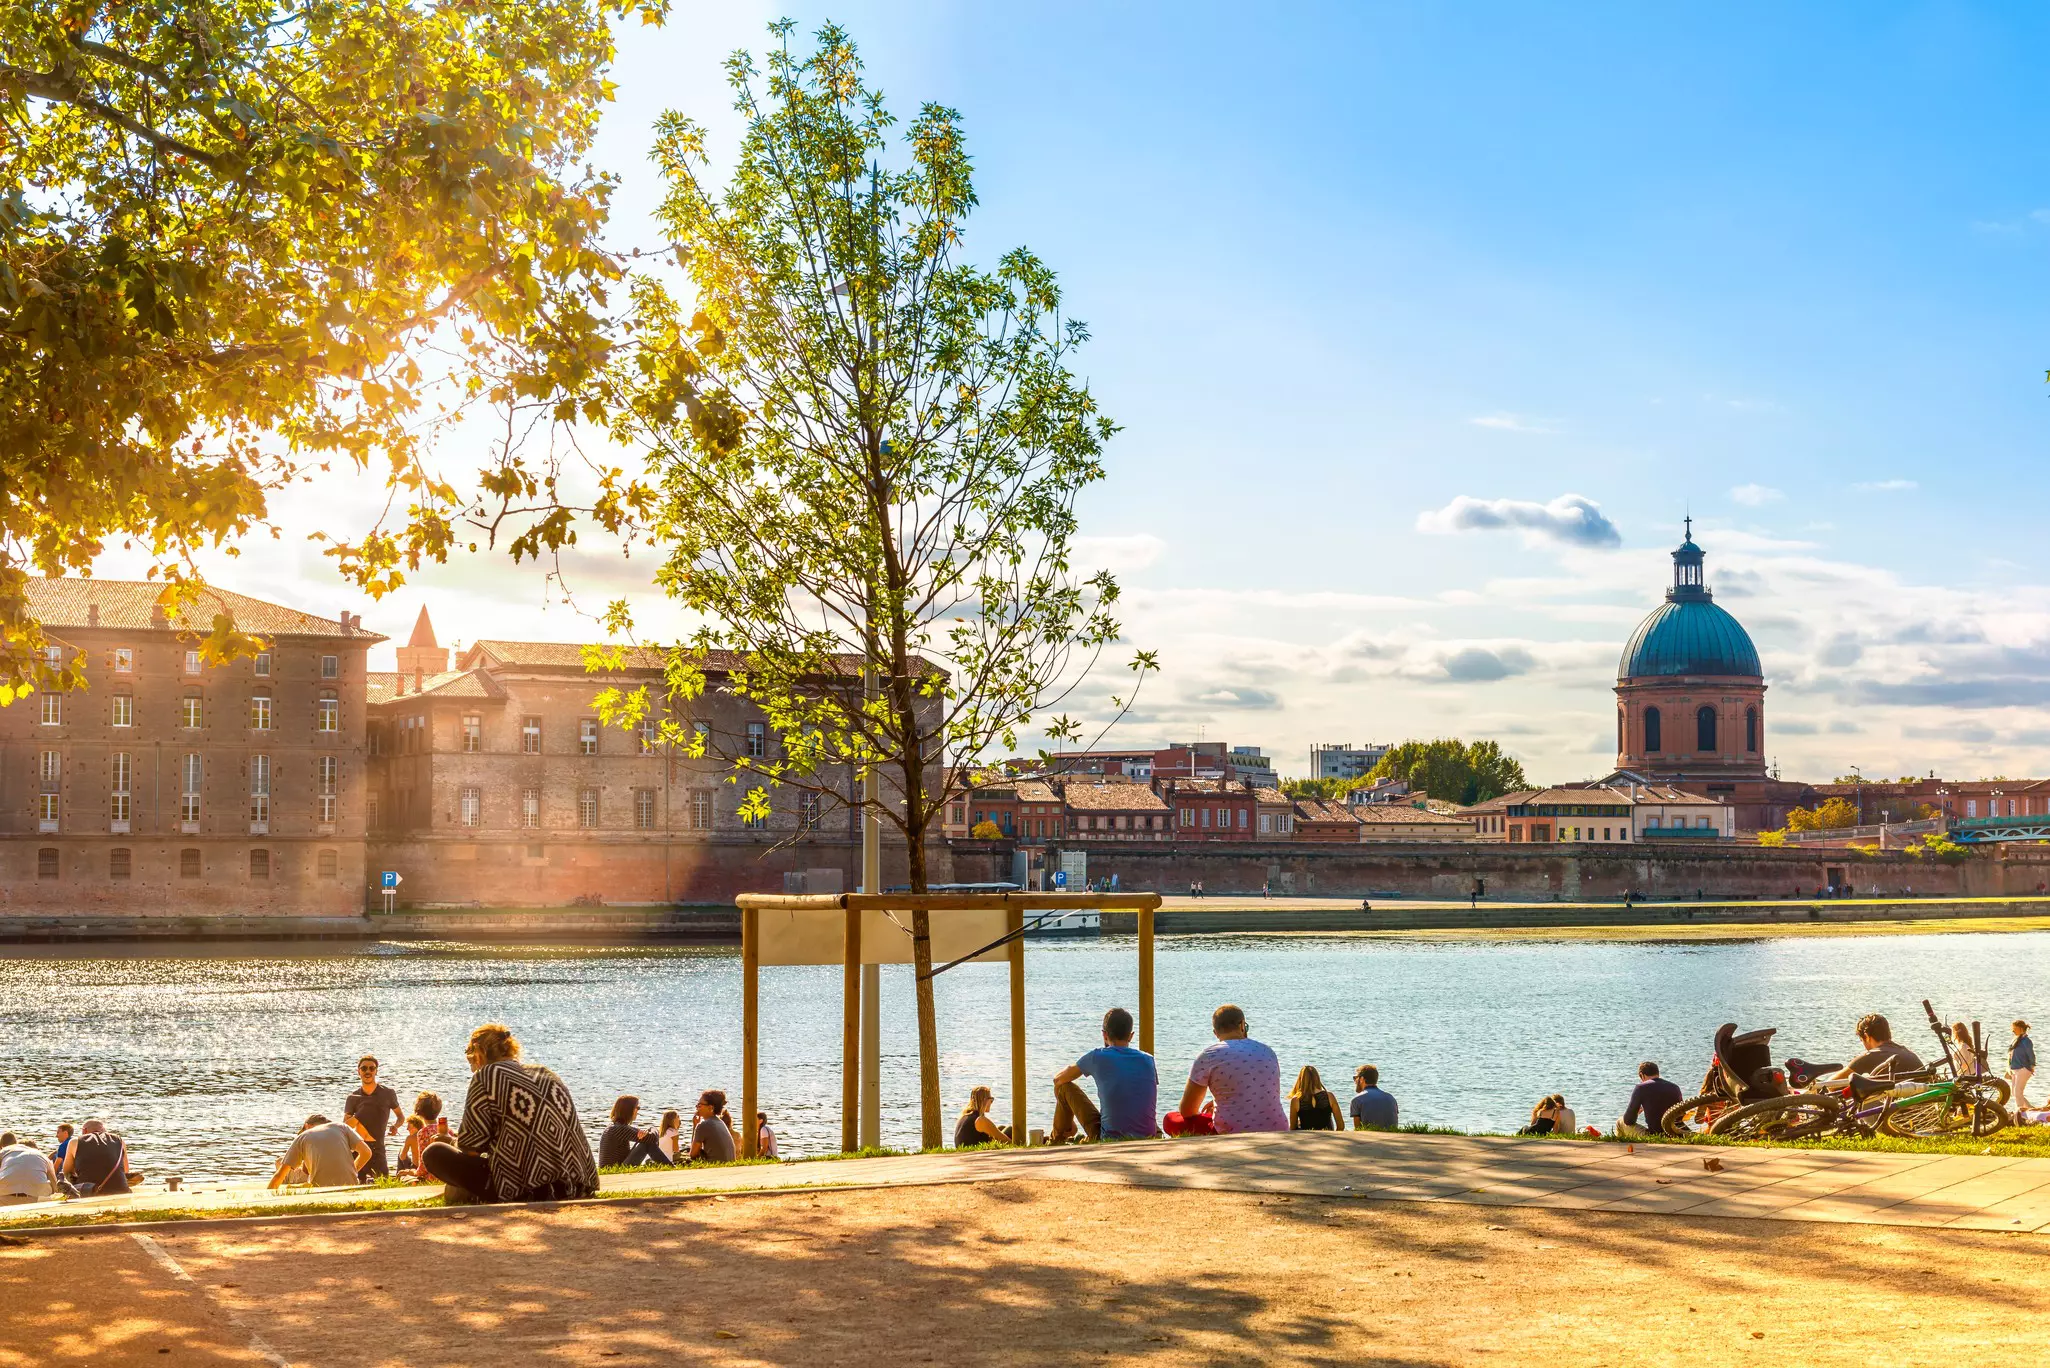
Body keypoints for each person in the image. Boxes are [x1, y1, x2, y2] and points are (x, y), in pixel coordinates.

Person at [421, 1023, 599, 1204]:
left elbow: (470, 1147)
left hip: (530, 1189)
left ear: (479, 1053)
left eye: (471, 1061)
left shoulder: (485, 1076)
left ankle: (481, 1194)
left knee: (435, 1153)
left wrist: (450, 1141)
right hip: (577, 1184)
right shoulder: (545, 1072)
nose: (473, 1069)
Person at [1049, 1006, 1159, 1143]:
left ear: (1104, 1035)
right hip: (1148, 1135)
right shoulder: (1149, 1059)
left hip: (1110, 1138)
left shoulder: (1097, 1056)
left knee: (1065, 1088)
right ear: (1131, 1036)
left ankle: (1056, 1140)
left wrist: (1069, 1118)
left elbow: (1058, 1079)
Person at [1175, 1004, 1288, 1135]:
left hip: (1232, 1131)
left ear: (1215, 1033)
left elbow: (1188, 1111)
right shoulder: (1268, 1051)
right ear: (1242, 1025)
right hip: (1278, 1128)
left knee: (1171, 1119)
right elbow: (1259, 1091)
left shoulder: (1208, 1055)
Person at [269, 1113, 372, 1190]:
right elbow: (367, 1152)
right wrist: (353, 1171)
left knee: (280, 1162)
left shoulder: (302, 1137)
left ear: (307, 1126)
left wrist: (268, 1196)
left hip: (319, 1188)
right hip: (350, 1184)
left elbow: (279, 1176)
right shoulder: (342, 1127)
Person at [343, 1055, 403, 1179]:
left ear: (376, 1071)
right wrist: (360, 1114)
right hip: (359, 1147)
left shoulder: (387, 1093)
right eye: (364, 1068)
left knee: (384, 1182)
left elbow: (400, 1117)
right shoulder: (352, 1097)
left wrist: (395, 1126)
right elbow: (345, 1127)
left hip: (377, 1146)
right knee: (354, 1182)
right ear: (358, 1071)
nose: (368, 1071)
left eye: (371, 1068)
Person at [1829, 1014, 1923, 1080]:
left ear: (1866, 1036)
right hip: (1924, 1103)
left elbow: (1831, 1085)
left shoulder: (1870, 1056)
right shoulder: (1908, 1052)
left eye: (1862, 1040)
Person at [60, 1119, 130, 1196]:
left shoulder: (75, 1141)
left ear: (84, 1131)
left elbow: (67, 1172)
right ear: (104, 1130)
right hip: (121, 1190)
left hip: (88, 1191)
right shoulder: (120, 1141)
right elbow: (126, 1171)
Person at [598, 1095, 671, 1167]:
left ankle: (667, 1165)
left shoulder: (616, 1126)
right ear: (629, 1109)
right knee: (647, 1143)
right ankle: (670, 1167)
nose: (638, 1111)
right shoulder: (619, 1129)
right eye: (637, 1108)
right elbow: (653, 1138)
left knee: (647, 1138)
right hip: (615, 1169)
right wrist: (654, 1129)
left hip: (619, 1165)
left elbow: (650, 1136)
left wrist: (649, 1131)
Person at [1616, 1062, 1683, 1137]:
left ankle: (1621, 1145)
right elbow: (1681, 1114)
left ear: (1642, 1075)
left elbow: (1628, 1121)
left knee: (1620, 1122)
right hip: (1675, 1133)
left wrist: (1635, 1113)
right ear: (1658, 1074)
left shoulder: (1641, 1088)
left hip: (1654, 1135)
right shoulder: (1675, 1087)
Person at [0, 1134, 56, 1205]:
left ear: (1, 1146)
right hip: (36, 1197)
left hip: (6, 1195)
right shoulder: (41, 1154)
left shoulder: (4, 1151)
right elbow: (55, 1184)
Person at [1288, 1065, 1341, 1131]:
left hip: (1306, 1138)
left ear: (1301, 1079)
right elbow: (1341, 1126)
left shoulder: (1296, 1100)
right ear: (1317, 1078)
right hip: (1327, 1138)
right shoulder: (1329, 1096)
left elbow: (1293, 1128)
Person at [690, 1090, 737, 1163]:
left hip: (716, 1167)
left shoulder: (703, 1125)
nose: (697, 1108)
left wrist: (695, 1127)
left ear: (710, 1108)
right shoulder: (720, 1122)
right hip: (728, 1165)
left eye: (700, 1105)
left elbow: (692, 1154)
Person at [1349, 1065, 1399, 1130]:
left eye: (1355, 1077)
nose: (1355, 1081)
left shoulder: (1357, 1100)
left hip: (1369, 1138)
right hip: (1391, 1137)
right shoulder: (1391, 1098)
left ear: (1362, 1079)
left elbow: (1358, 1130)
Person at [2012, 1021, 2036, 1114]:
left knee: (2018, 1091)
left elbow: (2031, 1055)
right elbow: (2011, 1054)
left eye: (2014, 1028)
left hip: (2023, 1069)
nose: (2012, 1031)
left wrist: (2032, 1066)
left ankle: (2020, 1113)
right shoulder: (2016, 1039)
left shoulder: (2026, 1041)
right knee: (2015, 1093)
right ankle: (2029, 1109)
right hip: (2014, 1069)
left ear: (2021, 1029)